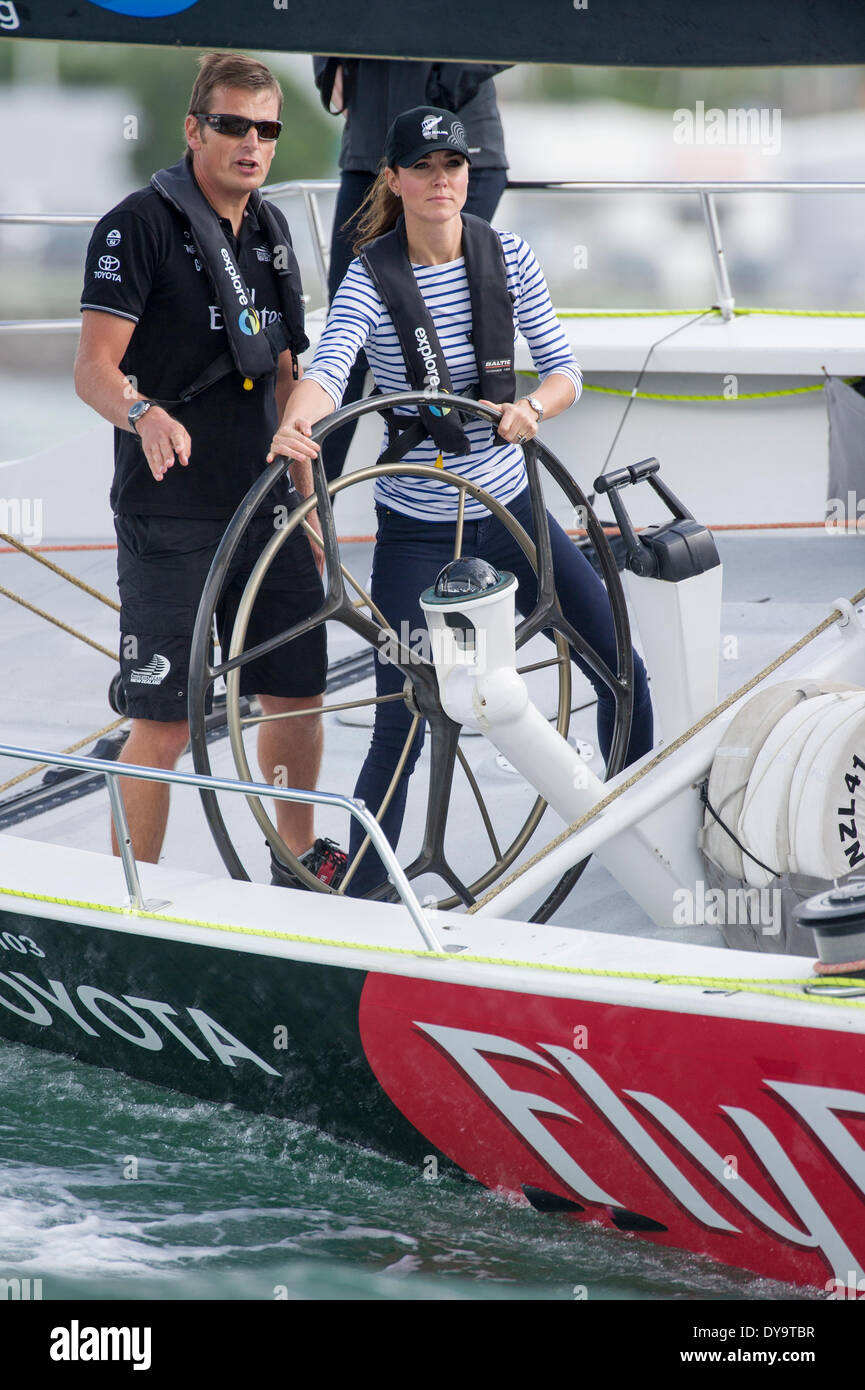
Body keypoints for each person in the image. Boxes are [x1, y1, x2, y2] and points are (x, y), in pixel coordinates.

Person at [267, 106, 654, 896]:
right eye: (425, 167)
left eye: (453, 166)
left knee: (621, 670)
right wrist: (297, 420)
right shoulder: (369, 278)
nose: (441, 181)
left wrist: (533, 409)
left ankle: (636, 828)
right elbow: (330, 368)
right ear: (395, 180)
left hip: (513, 514)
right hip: (416, 528)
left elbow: (563, 372)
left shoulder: (507, 254)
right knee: (402, 707)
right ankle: (366, 890)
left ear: (465, 176)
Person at [75, 51, 342, 887]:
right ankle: (131, 900)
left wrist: (311, 511)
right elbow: (93, 369)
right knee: (163, 720)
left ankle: (293, 857)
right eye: (231, 125)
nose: (251, 144)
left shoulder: (270, 229)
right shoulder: (135, 225)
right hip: (170, 513)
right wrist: (142, 413)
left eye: (266, 129)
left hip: (264, 506)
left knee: (296, 691)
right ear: (194, 131)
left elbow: (293, 379)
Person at [312, 58, 511, 484]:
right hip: (370, 149)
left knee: (453, 318)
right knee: (352, 347)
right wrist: (328, 64)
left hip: (464, 132)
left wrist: (456, 74)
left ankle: (475, 482)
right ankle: (309, 508)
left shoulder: (515, 252)